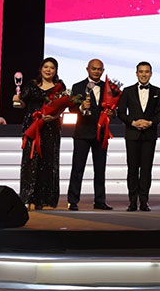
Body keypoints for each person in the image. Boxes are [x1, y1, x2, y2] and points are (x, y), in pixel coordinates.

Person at [15, 57, 64, 210]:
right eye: (46, 67)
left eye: (52, 68)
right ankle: (27, 197)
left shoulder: (60, 86)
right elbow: (22, 103)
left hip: (51, 127)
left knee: (48, 162)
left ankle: (46, 200)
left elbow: (62, 108)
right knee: (30, 161)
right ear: (41, 69)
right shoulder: (31, 85)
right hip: (32, 126)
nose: (49, 70)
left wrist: (53, 117)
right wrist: (17, 100)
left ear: (55, 70)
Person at [117, 61, 160, 211]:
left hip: (149, 135)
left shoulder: (158, 91)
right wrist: (133, 122)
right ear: (136, 73)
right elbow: (121, 112)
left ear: (151, 73)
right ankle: (132, 202)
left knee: (146, 170)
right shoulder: (127, 91)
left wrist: (150, 122)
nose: (144, 74)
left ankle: (144, 202)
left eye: (146, 71)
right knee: (132, 169)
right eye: (141, 71)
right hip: (132, 135)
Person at [67, 58, 113, 211]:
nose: (96, 71)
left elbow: (114, 108)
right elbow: (71, 108)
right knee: (77, 168)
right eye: (94, 68)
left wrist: (112, 113)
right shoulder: (78, 86)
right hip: (82, 133)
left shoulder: (109, 87)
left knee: (100, 169)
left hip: (101, 134)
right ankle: (73, 200)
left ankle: (100, 200)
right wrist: (81, 107)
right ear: (87, 69)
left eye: (99, 69)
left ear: (103, 71)